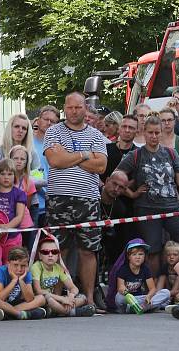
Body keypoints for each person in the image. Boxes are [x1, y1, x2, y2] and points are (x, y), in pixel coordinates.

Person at [44, 92, 108, 307]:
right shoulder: (53, 131)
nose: (74, 111)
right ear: (65, 108)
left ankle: (89, 299)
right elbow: (55, 161)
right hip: (58, 197)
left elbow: (101, 166)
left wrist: (69, 156)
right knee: (58, 250)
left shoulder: (96, 135)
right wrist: (84, 155)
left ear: (85, 108)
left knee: (88, 250)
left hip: (88, 198)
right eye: (70, 107)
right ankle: (57, 298)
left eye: (78, 107)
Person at [116, 114, 179, 274]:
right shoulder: (135, 155)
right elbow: (116, 178)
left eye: (157, 132)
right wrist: (132, 194)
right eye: (150, 132)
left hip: (173, 207)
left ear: (162, 132)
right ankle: (154, 288)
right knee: (153, 251)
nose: (154, 136)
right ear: (144, 132)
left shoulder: (171, 153)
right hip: (147, 210)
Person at [30, 235, 94, 317]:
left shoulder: (58, 268)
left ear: (58, 255)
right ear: (40, 255)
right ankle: (72, 312)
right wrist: (62, 299)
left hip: (55, 299)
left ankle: (58, 310)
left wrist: (70, 296)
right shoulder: (36, 267)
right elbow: (38, 291)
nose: (50, 255)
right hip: (42, 299)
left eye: (54, 252)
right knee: (48, 298)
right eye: (45, 252)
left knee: (83, 298)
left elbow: (74, 288)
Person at [0, 247, 47, 321]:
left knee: (41, 299)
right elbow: (1, 297)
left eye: (23, 266)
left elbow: (29, 299)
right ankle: (21, 314)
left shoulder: (26, 273)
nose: (19, 269)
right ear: (8, 264)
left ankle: (9, 313)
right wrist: (14, 280)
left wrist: (21, 280)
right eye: (16, 265)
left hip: (14, 305)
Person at [113, 239, 170, 313]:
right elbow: (120, 287)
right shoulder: (123, 269)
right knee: (119, 297)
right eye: (134, 254)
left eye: (141, 254)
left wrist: (149, 296)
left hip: (140, 299)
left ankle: (142, 308)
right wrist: (127, 294)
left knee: (166, 292)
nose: (138, 257)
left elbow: (152, 288)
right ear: (128, 257)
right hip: (128, 299)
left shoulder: (145, 269)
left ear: (144, 256)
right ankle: (148, 307)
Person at [31, 105, 58, 223]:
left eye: (53, 121)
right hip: (34, 201)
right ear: (38, 120)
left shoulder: (60, 146)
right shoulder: (28, 143)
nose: (49, 123)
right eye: (46, 119)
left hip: (54, 202)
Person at [101, 114, 137, 182]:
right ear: (119, 128)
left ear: (136, 131)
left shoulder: (139, 153)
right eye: (124, 126)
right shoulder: (105, 149)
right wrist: (103, 187)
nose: (127, 130)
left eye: (131, 128)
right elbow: (95, 173)